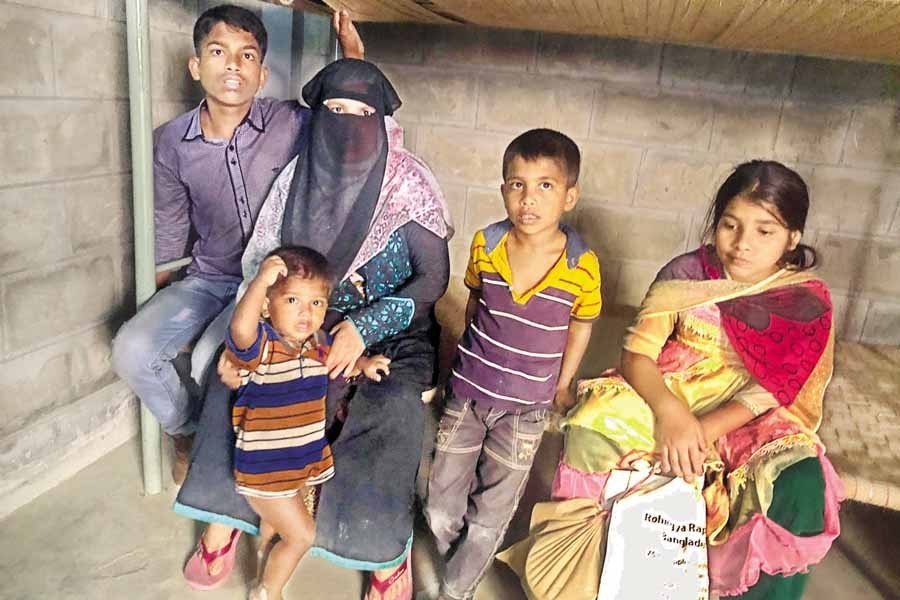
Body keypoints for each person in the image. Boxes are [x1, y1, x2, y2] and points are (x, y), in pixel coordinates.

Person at [499, 160, 843, 600]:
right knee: (593, 422)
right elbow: (638, 353)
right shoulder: (686, 273)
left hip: (752, 409)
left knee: (801, 478)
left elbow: (776, 387)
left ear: (793, 238)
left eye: (765, 231)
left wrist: (699, 432)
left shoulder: (804, 299)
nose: (741, 245)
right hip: (672, 387)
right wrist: (670, 412)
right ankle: (585, 579)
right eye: (730, 226)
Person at [174, 59, 453, 600]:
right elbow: (266, 267)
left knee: (390, 406)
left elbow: (433, 280)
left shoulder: (408, 183)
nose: (347, 125)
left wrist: (363, 329)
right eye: (335, 110)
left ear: (382, 119)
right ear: (317, 116)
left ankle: (378, 550)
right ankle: (225, 515)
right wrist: (247, 336)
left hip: (395, 332)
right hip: (302, 320)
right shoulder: (296, 179)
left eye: (362, 112)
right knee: (230, 381)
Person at [110, 4, 364, 484]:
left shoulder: (292, 123)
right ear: (196, 66)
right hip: (208, 277)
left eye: (247, 55)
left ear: (262, 73)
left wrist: (352, 56)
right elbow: (168, 219)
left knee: (212, 357)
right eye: (218, 52)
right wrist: (160, 293)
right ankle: (188, 430)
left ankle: (224, 452)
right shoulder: (170, 142)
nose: (232, 65)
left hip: (269, 283)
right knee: (132, 348)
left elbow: (350, 118)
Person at [423, 129, 602, 600]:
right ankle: (458, 559)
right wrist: (463, 359)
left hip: (526, 412)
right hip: (467, 396)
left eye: (545, 185)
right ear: (503, 190)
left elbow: (582, 325)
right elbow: (476, 301)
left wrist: (563, 383)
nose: (528, 199)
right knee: (440, 505)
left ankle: (454, 592)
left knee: (490, 516)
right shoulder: (487, 244)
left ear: (569, 195)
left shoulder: (583, 265)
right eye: (516, 184)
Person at [225, 246, 389, 600]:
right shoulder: (262, 346)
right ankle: (268, 590)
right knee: (302, 536)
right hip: (266, 469)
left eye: (316, 303)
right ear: (268, 306)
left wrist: (363, 365)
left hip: (296, 462)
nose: (306, 313)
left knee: (276, 526)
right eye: (293, 301)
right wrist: (260, 283)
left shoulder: (317, 342)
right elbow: (240, 328)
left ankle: (261, 560)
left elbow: (339, 357)